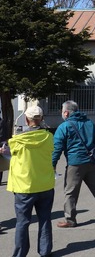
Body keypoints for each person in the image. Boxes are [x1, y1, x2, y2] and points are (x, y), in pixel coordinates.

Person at [53, 100, 95, 228]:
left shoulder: (64, 127)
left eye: (62, 111)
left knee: (70, 191)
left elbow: (57, 148)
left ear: (66, 112)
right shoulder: (89, 123)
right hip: (92, 161)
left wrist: (52, 164)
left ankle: (70, 219)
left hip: (75, 163)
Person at [4, 105, 55, 257]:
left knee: (22, 222)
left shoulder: (17, 140)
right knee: (45, 219)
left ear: (26, 119)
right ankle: (45, 251)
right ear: (42, 119)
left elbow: (9, 151)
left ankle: (20, 254)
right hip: (45, 184)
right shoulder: (49, 137)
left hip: (24, 186)